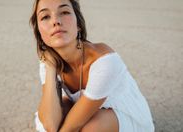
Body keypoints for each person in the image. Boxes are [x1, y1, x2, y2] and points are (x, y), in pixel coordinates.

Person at [30, 0, 155, 131]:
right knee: (51, 113)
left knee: (91, 128)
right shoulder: (48, 61)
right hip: (85, 110)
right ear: (39, 33)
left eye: (64, 12)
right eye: (45, 17)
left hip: (124, 116)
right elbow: (50, 125)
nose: (55, 21)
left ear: (78, 24)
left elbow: (69, 128)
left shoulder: (104, 61)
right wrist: (50, 67)